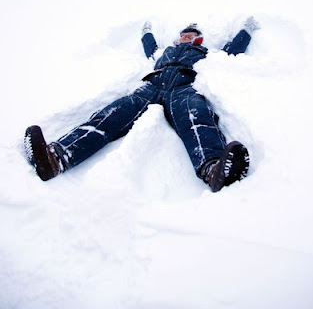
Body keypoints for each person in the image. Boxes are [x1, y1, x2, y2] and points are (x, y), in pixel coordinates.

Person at [24, 17, 260, 192]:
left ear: (198, 39)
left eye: (191, 35)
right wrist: (146, 31)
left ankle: (214, 168)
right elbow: (150, 48)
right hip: (152, 86)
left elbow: (232, 50)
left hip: (183, 87)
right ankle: (57, 157)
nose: (186, 37)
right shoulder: (164, 53)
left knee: (195, 115)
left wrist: (246, 31)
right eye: (184, 34)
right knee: (113, 113)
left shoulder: (205, 52)